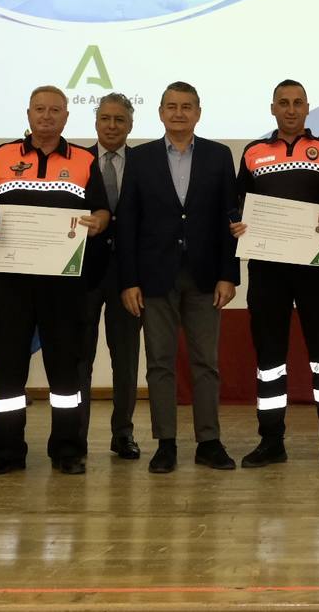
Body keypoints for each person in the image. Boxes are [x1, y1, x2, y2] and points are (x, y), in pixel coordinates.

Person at [0, 86, 110, 476]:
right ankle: (5, 452)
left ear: (66, 117)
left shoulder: (84, 160)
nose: (47, 116)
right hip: (10, 281)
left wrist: (98, 223)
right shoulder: (2, 155)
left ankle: (67, 450)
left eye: (55, 110)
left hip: (64, 283)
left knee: (65, 368)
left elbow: (102, 210)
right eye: (40, 109)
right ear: (28, 114)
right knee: (8, 367)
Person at [231, 80, 319, 470]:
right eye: (283, 103)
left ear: (307, 107)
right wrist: (236, 223)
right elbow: (237, 206)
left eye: (297, 102)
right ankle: (271, 442)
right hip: (267, 271)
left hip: (316, 269)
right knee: (270, 360)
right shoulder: (253, 152)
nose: (290, 109)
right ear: (272, 108)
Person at [117, 81, 240, 474]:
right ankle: (165, 444)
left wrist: (229, 275)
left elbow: (231, 219)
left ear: (198, 113)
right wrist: (129, 280)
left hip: (206, 276)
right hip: (155, 277)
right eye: (171, 106)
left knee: (206, 362)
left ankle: (209, 442)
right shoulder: (140, 158)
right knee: (160, 363)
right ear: (160, 113)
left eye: (187, 106)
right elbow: (128, 223)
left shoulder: (219, 156)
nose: (179, 113)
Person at [78, 93, 143, 460]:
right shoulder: (77, 162)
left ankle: (123, 433)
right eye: (106, 118)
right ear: (96, 122)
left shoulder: (145, 164)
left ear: (130, 125)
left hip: (129, 276)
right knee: (79, 358)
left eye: (120, 119)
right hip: (84, 273)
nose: (112, 125)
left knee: (126, 359)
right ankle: (77, 435)